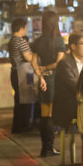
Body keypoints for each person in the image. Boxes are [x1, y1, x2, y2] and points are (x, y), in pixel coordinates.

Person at [31, 10, 66, 157]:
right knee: (51, 115)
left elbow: (33, 62)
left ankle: (44, 148)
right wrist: (46, 69)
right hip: (53, 79)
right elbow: (59, 63)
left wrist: (40, 76)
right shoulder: (59, 41)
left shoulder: (38, 41)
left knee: (44, 115)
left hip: (43, 80)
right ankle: (50, 147)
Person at [53, 31, 83, 135]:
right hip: (69, 108)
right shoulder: (64, 63)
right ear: (73, 46)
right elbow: (77, 86)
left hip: (82, 104)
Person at [9, 19, 39, 133]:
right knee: (24, 101)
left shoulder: (12, 40)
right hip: (22, 73)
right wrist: (36, 56)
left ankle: (17, 126)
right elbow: (28, 58)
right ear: (22, 28)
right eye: (25, 28)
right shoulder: (20, 41)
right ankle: (22, 126)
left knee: (19, 101)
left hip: (15, 72)